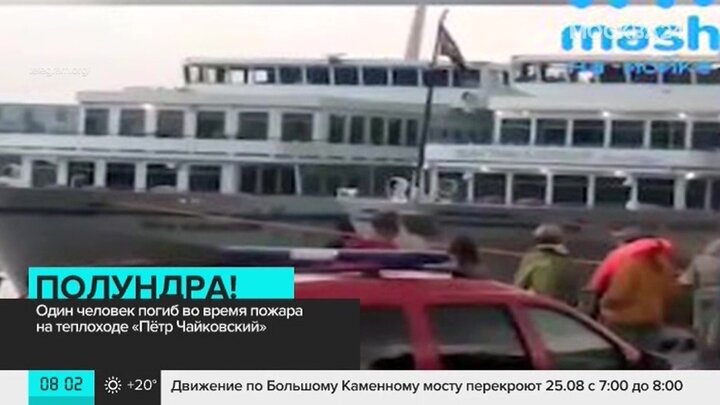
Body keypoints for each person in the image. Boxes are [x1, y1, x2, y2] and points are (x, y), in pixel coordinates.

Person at [600, 239, 681, 351]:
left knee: (624, 355)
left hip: (625, 321)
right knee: (648, 356)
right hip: (652, 320)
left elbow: (618, 295)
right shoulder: (665, 267)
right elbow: (673, 292)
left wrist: (605, 303)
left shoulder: (630, 265)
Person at [586, 227, 673, 318]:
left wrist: (604, 302)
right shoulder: (660, 260)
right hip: (651, 316)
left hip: (623, 318)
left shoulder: (624, 259)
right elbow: (671, 290)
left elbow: (613, 293)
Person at [514, 224, 579, 306]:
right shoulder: (569, 262)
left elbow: (519, 286)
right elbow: (574, 297)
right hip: (563, 309)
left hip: (537, 306)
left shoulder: (532, 258)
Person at [679, 238, 720, 360]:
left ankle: (701, 344)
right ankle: (712, 345)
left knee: (700, 320)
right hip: (717, 293)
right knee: (715, 321)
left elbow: (686, 280)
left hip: (701, 293)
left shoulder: (698, 261)